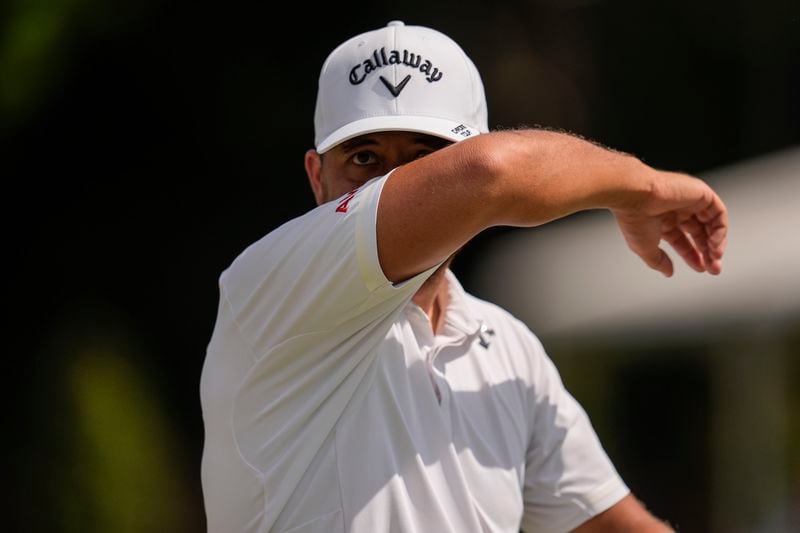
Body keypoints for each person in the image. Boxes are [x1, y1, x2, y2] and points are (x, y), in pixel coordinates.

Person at [199, 20, 728, 533]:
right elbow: (488, 174)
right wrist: (642, 186)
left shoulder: (510, 348)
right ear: (318, 177)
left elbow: (610, 527)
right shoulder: (274, 289)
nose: (398, 185)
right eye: (365, 158)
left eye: (425, 158)